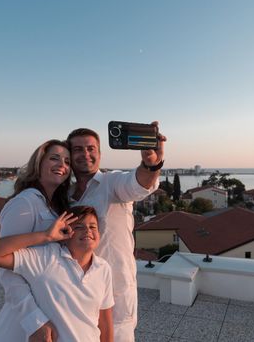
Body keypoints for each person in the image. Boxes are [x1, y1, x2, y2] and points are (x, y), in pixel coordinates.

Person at [67, 122, 165, 342]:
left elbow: (139, 184)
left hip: (116, 292)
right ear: (70, 156)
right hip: (76, 292)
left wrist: (151, 164)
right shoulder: (66, 195)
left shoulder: (112, 183)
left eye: (91, 148)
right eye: (78, 149)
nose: (85, 153)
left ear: (99, 154)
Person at [0, 206, 114, 342]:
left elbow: (105, 322)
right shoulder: (46, 259)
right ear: (65, 233)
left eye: (93, 227)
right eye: (79, 227)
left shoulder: (103, 269)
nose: (87, 231)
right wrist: (46, 235)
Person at [0, 139, 72, 341]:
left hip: (52, 310)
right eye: (54, 158)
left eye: (67, 161)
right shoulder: (25, 203)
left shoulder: (54, 206)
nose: (62, 165)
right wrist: (33, 320)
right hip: (25, 321)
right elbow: (6, 268)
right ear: (39, 163)